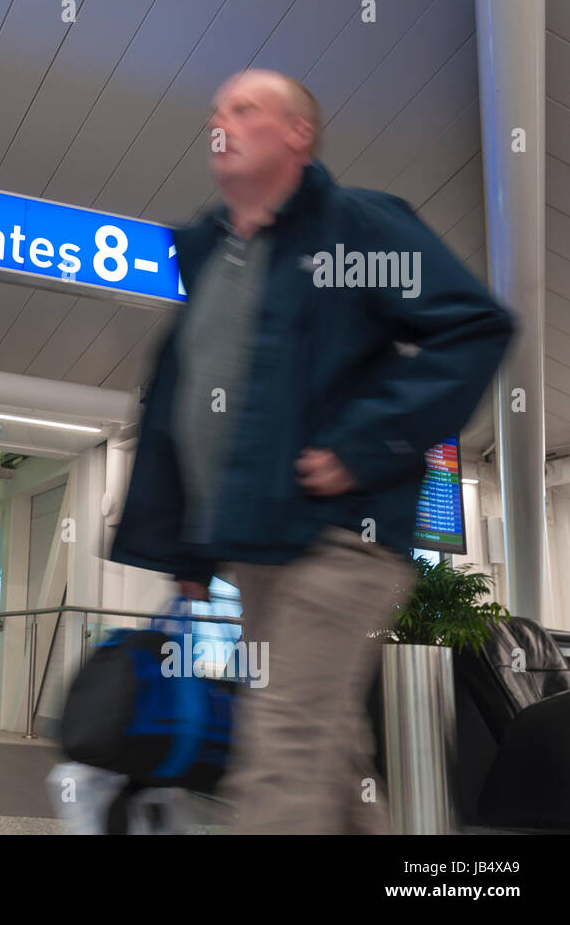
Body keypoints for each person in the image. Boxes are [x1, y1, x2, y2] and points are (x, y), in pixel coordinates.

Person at [109, 70, 515, 833]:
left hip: (342, 538)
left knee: (282, 748)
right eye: (215, 110)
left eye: (245, 108)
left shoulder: (357, 226)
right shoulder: (215, 259)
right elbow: (180, 405)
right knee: (328, 752)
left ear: (299, 133)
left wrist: (366, 444)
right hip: (258, 548)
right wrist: (188, 551)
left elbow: (474, 328)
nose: (220, 121)